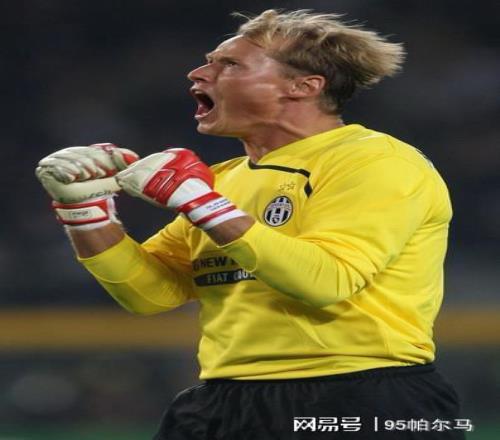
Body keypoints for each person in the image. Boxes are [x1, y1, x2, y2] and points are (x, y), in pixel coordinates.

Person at [36, 9, 466, 440]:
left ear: (303, 86)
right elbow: (151, 294)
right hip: (225, 399)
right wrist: (85, 211)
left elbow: (326, 280)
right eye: (209, 61)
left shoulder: (375, 161)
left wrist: (202, 204)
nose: (198, 73)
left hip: (357, 394)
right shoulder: (224, 179)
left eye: (229, 64)